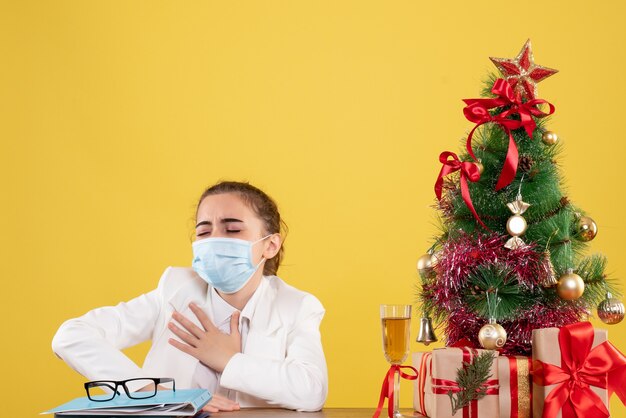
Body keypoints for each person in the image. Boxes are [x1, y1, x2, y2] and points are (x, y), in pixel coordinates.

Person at [52, 181, 328, 412]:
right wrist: (156, 393)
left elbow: (312, 391)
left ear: (270, 245)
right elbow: (72, 336)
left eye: (232, 229)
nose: (215, 239)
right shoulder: (175, 288)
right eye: (204, 231)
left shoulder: (296, 306)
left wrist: (228, 360)